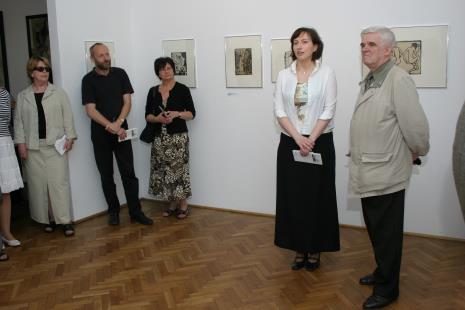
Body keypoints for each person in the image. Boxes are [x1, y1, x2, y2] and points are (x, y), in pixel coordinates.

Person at [349, 26, 430, 309]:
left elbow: (416, 126)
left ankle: (388, 290)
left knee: (387, 235)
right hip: (369, 169)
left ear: (388, 50)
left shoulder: (398, 79)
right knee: (376, 230)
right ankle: (382, 273)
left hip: (386, 172)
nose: (364, 49)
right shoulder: (371, 79)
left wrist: (417, 150)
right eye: (362, 44)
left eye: (371, 44)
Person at [274, 27, 340, 271]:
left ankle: (315, 248)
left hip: (319, 141)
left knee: (318, 196)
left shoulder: (326, 73)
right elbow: (280, 110)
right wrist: (298, 138)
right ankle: (299, 248)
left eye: (304, 41)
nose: (299, 46)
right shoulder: (284, 75)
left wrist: (310, 138)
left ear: (315, 46)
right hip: (291, 141)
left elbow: (329, 110)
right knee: (293, 196)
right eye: (295, 42)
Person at [81, 43, 153, 226]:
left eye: (107, 54)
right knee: (106, 175)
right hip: (100, 134)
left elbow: (127, 102)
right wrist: (109, 125)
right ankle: (113, 212)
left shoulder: (120, 73)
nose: (106, 58)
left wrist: (119, 123)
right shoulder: (88, 80)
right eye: (101, 55)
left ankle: (135, 212)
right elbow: (90, 110)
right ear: (93, 59)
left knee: (129, 173)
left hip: (122, 131)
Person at [14, 56, 77, 237]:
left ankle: (65, 221)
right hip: (33, 148)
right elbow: (18, 123)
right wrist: (21, 144)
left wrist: (70, 137)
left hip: (55, 146)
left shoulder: (58, 93)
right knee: (38, 186)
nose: (45, 72)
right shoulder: (23, 96)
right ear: (32, 72)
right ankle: (47, 219)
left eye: (47, 69)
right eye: (41, 69)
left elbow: (68, 116)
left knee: (59, 184)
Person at [145, 57, 195, 219]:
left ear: (173, 69)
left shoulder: (182, 89)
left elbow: (192, 113)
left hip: (178, 139)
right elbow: (148, 116)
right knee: (164, 171)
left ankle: (183, 205)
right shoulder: (153, 91)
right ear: (157, 72)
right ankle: (171, 203)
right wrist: (158, 118)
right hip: (160, 138)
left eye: (168, 68)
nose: (166, 71)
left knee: (179, 171)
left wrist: (177, 114)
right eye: (162, 69)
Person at [0, 87, 24, 249]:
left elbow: (10, 119)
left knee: (5, 191)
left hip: (4, 142)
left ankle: (6, 233)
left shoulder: (4, 93)